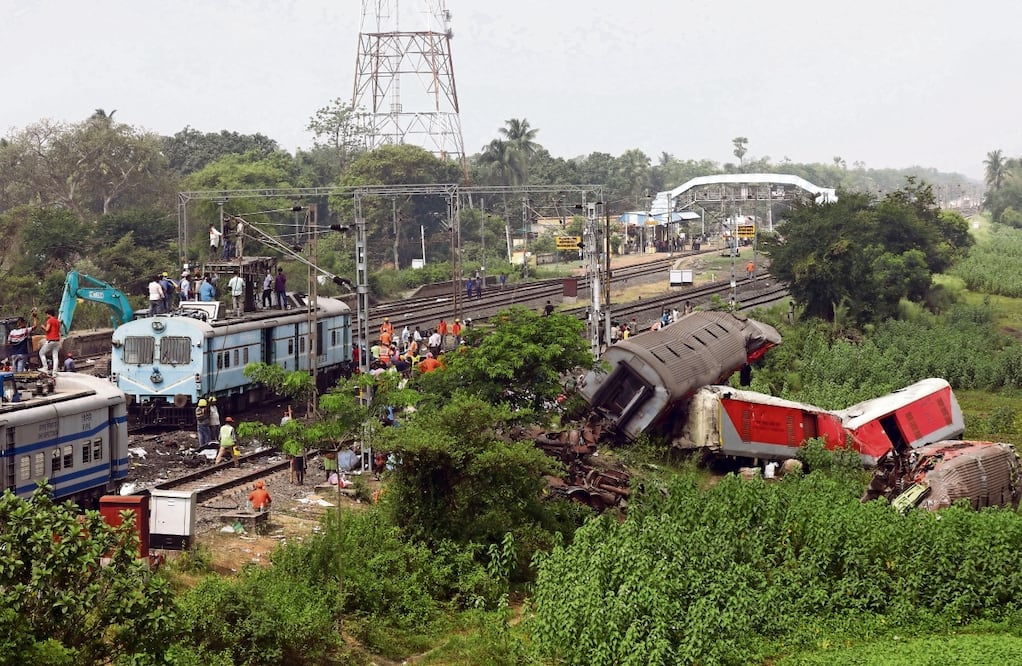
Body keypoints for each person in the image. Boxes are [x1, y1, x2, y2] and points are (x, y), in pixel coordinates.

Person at [39, 308, 61, 374]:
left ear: (49, 314)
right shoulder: (57, 321)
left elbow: (47, 329)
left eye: (46, 314)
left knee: (41, 353)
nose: (46, 316)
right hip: (57, 341)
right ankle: (54, 372)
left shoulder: (49, 320)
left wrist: (43, 327)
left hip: (51, 340)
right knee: (55, 357)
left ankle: (45, 368)